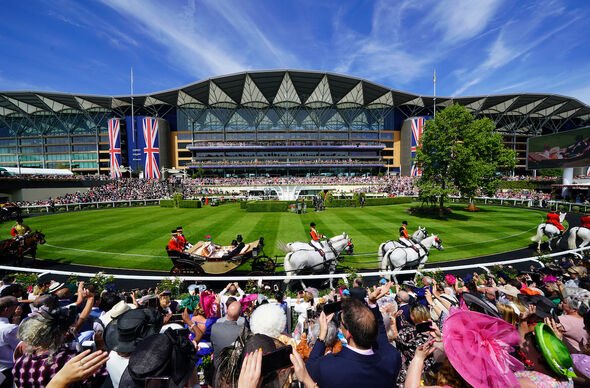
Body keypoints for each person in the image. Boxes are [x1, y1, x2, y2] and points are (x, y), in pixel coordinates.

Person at [306, 282, 402, 387]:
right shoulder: (392, 358)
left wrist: (322, 334)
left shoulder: (329, 367)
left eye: (341, 322)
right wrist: (372, 304)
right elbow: (381, 335)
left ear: (348, 333)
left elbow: (310, 366)